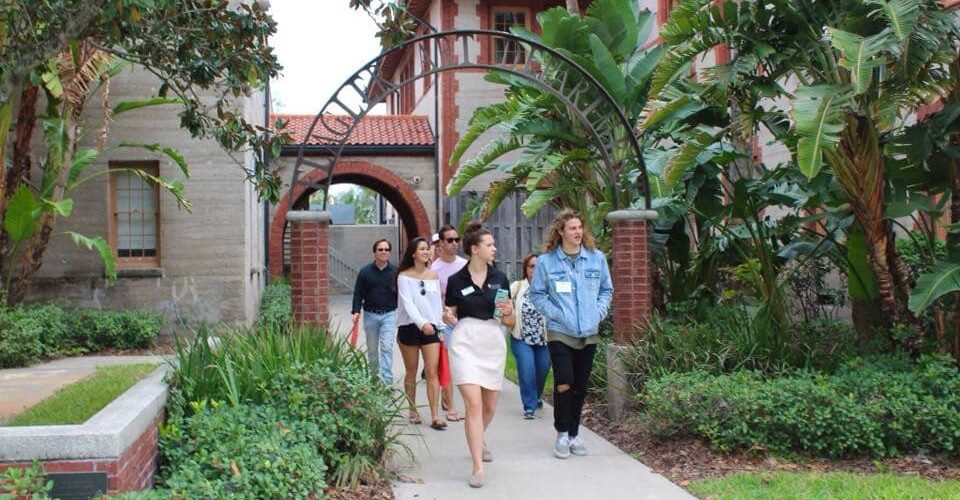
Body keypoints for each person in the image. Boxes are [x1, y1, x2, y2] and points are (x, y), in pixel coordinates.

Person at [529, 209, 613, 460]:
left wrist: (597, 313)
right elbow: (537, 294)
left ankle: (575, 434)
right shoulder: (547, 262)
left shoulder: (596, 259)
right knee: (564, 381)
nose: (578, 232)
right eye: (573, 228)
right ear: (561, 232)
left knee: (580, 386)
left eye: (580, 228)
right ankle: (562, 433)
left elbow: (606, 290)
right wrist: (555, 313)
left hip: (588, 331)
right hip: (560, 331)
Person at [442, 222, 514, 488]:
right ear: (475, 249)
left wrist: (508, 313)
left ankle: (478, 436)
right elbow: (449, 311)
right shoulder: (456, 280)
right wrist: (447, 315)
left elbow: (508, 319)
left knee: (490, 405)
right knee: (473, 405)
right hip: (465, 341)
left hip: (492, 340)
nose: (494, 248)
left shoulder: (500, 279)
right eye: (489, 244)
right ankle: (477, 467)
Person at [395, 237, 445, 429]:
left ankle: (435, 415)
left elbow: (436, 304)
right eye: (422, 249)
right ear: (413, 253)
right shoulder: (404, 276)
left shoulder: (433, 275)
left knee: (432, 371)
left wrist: (438, 325)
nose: (426, 252)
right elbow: (408, 304)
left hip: (431, 328)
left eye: (427, 249)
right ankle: (412, 409)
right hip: (409, 327)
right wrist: (421, 323)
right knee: (411, 371)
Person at [430, 224, 467, 422]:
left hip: (464, 320)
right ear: (441, 243)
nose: (454, 243)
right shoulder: (434, 269)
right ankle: (451, 407)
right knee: (448, 365)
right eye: (450, 240)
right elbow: (431, 298)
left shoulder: (464, 265)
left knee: (462, 364)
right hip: (443, 322)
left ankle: (448, 397)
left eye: (456, 240)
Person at [351, 239, 398, 383]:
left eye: (386, 249)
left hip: (389, 315)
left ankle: (387, 380)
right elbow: (358, 293)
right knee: (372, 349)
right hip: (370, 315)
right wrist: (355, 311)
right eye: (380, 249)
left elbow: (402, 294)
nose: (383, 252)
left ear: (389, 252)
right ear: (375, 252)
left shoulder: (396, 272)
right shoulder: (365, 272)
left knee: (386, 347)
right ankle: (373, 377)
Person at [509, 253, 550, 420]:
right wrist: (503, 314)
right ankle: (529, 406)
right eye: (531, 266)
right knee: (527, 370)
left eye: (538, 266)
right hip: (521, 338)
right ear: (525, 269)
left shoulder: (550, 288)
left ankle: (536, 396)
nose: (535, 269)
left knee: (542, 371)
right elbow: (500, 304)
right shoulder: (517, 287)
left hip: (544, 339)